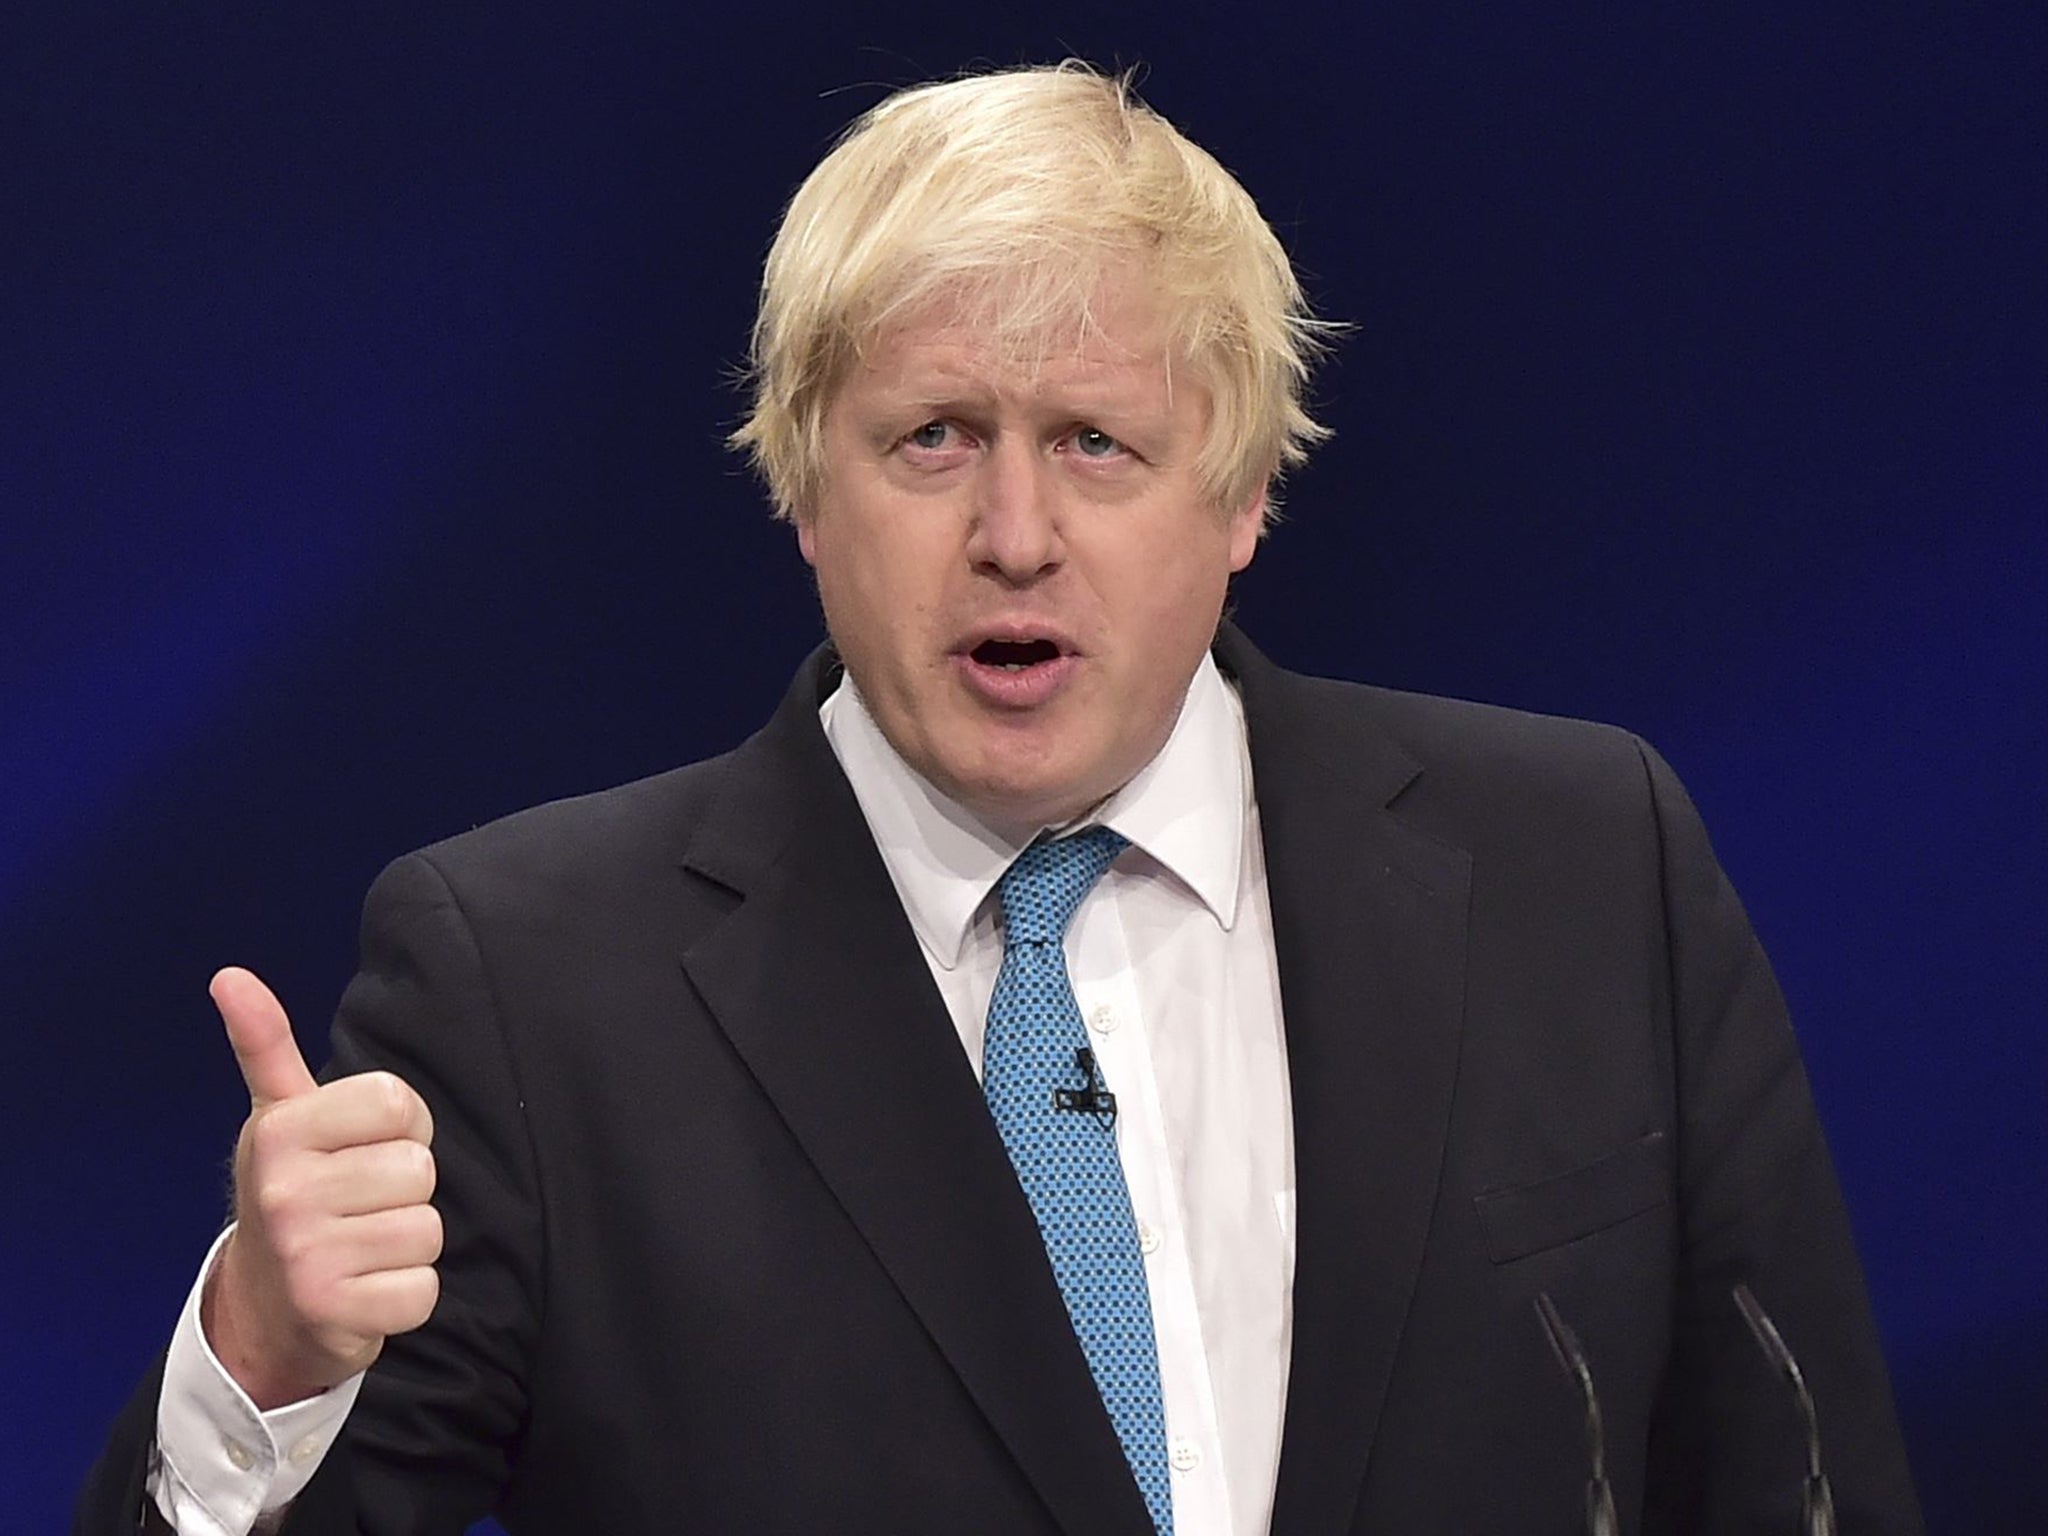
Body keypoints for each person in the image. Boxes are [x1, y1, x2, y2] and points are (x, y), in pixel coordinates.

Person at [77, 62, 1921, 1536]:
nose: (1014, 538)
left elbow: (1801, 1486)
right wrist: (263, 1360)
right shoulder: (529, 980)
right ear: (805, 491)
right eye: (931, 439)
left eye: (1097, 445)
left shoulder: (1586, 865)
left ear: (1243, 498)